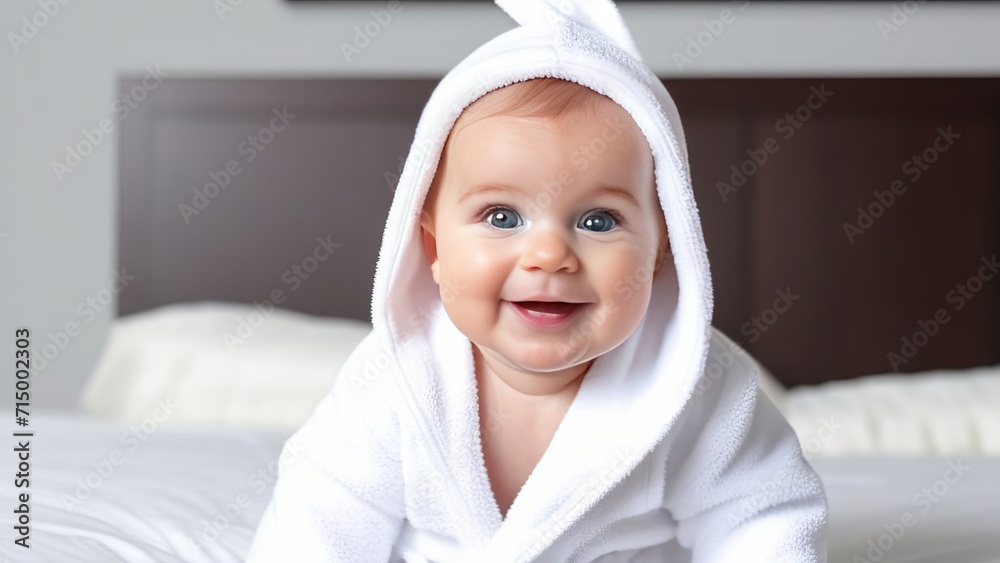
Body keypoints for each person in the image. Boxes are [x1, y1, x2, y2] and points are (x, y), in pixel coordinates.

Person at [247, 1, 828, 561]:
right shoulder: (396, 379)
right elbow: (319, 517)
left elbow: (760, 514)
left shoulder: (693, 385)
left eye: (599, 221)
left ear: (660, 252)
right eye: (502, 218)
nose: (549, 255)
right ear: (432, 248)